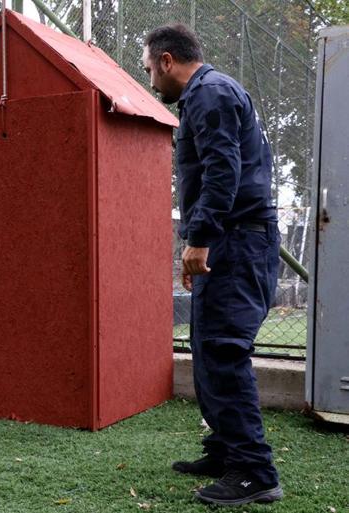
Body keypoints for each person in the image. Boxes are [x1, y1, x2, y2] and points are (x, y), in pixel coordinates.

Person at [141, 24, 283, 506]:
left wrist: (199, 239)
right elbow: (209, 175)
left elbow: (224, 169)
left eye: (148, 69)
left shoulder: (212, 93)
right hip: (226, 241)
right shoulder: (205, 95)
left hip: (237, 241)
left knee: (223, 351)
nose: (149, 81)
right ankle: (225, 449)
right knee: (206, 347)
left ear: (165, 61)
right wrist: (195, 246)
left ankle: (255, 473)